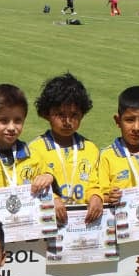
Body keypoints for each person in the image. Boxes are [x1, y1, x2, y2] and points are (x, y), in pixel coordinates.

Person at [84, 86, 139, 224]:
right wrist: (109, 197)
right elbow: (99, 193)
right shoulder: (107, 156)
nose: (136, 128)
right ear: (117, 121)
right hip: (121, 229)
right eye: (130, 120)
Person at [27, 73, 101, 224]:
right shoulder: (33, 149)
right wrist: (51, 198)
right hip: (48, 224)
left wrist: (96, 197)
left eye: (74, 115)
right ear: (46, 114)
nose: (67, 121)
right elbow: (29, 187)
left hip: (83, 225)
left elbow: (95, 183)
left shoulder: (91, 149)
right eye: (60, 114)